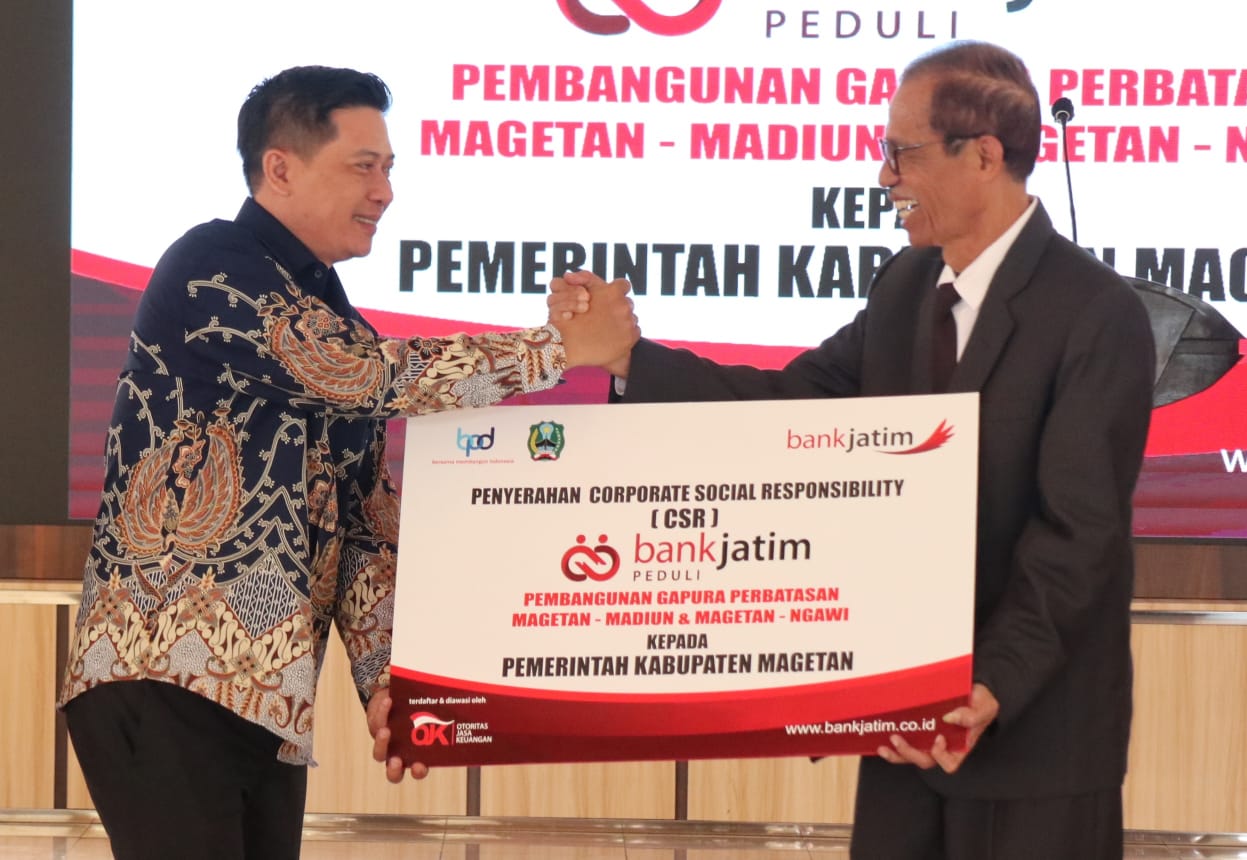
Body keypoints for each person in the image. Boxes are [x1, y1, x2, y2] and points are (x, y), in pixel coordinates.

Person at [554, 41, 1155, 860]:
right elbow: (789, 408)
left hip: (1028, 740)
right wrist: (629, 358)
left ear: (983, 157)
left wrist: (987, 684)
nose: (883, 177)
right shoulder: (905, 288)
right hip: (901, 732)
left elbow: (1077, 538)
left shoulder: (1097, 313)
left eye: (903, 154)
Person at [58, 65, 638, 859]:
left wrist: (392, 684)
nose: (385, 191)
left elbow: (365, 527)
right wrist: (561, 348)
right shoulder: (211, 265)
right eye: (364, 166)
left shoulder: (334, 314)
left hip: (267, 702)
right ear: (280, 168)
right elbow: (363, 376)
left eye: (390, 168)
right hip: (161, 680)